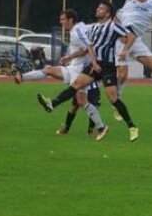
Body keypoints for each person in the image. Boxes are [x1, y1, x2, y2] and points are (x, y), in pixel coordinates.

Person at [37, 1, 139, 141]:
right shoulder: (94, 27)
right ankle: (52, 104)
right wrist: (81, 59)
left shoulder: (113, 26)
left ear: (108, 14)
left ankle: (132, 127)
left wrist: (125, 50)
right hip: (95, 65)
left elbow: (131, 36)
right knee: (76, 85)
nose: (98, 9)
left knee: (112, 98)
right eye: (98, 7)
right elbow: (88, 46)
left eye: (101, 8)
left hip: (108, 66)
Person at [16, 9, 107, 138]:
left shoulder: (76, 31)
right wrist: (70, 58)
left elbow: (86, 48)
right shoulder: (80, 27)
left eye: (63, 19)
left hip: (79, 70)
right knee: (49, 69)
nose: (61, 22)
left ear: (71, 20)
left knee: (81, 101)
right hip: (73, 67)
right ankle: (22, 77)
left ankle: (100, 127)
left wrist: (76, 58)